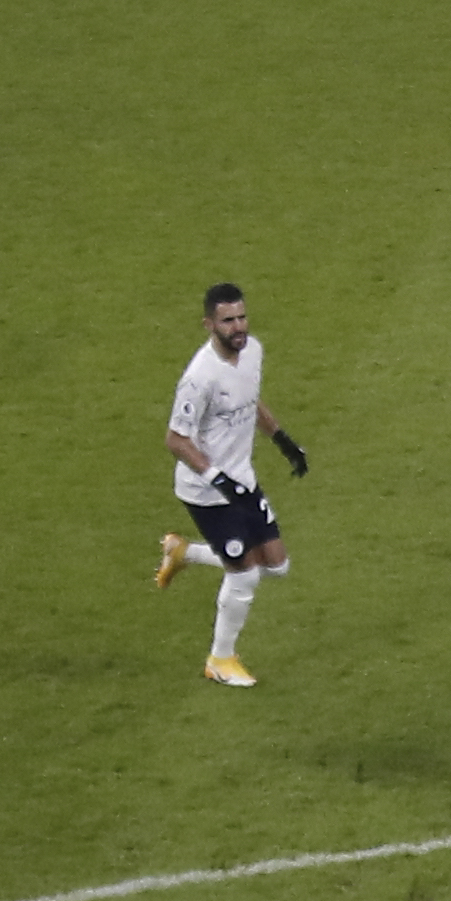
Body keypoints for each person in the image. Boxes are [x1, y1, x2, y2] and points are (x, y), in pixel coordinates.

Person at [150, 282, 310, 688]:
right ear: (209, 325)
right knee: (244, 576)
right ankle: (220, 660)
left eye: (241, 317)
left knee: (277, 565)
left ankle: (184, 552)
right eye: (228, 321)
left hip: (242, 481)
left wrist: (284, 441)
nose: (238, 327)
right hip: (206, 492)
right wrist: (218, 479)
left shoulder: (252, 351)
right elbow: (176, 440)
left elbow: (250, 400)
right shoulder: (199, 379)